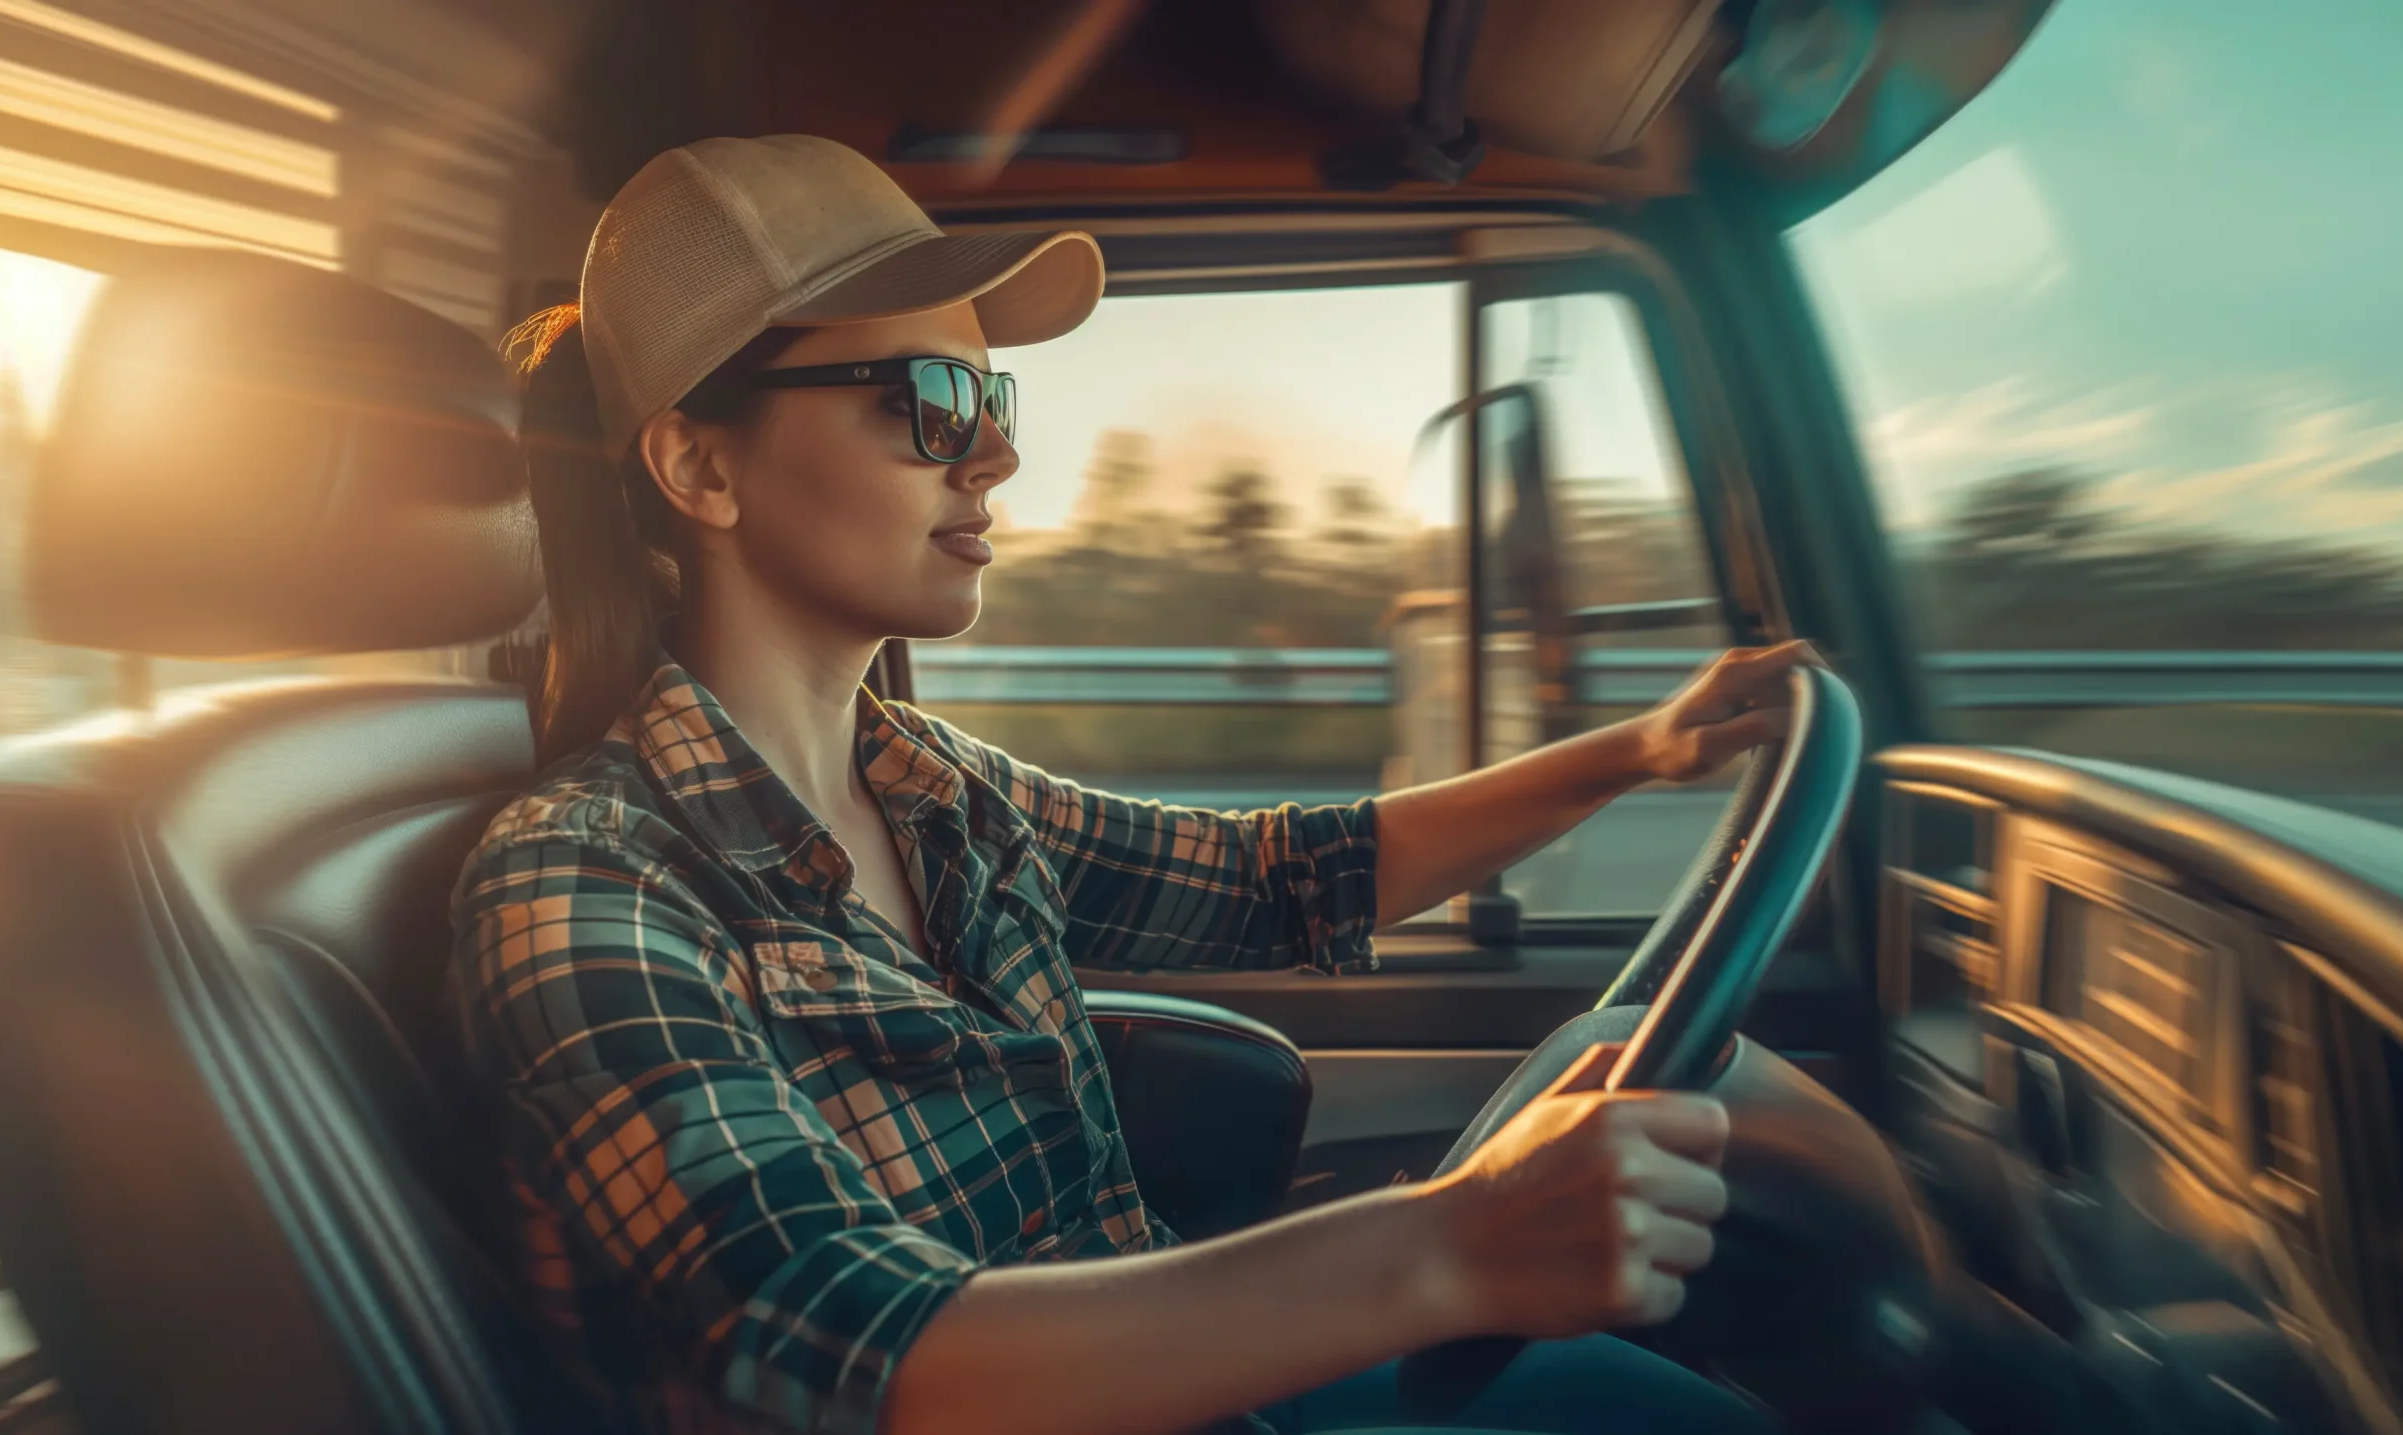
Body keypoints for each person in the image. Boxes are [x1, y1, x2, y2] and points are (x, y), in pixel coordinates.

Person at [449, 133, 1815, 1435]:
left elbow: (1282, 880)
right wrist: (1449, 1244)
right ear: (700, 465)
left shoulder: (939, 791)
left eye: (993, 403)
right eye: (928, 404)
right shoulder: (581, 883)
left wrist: (1639, 749)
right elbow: (841, 1348)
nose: (995, 456)